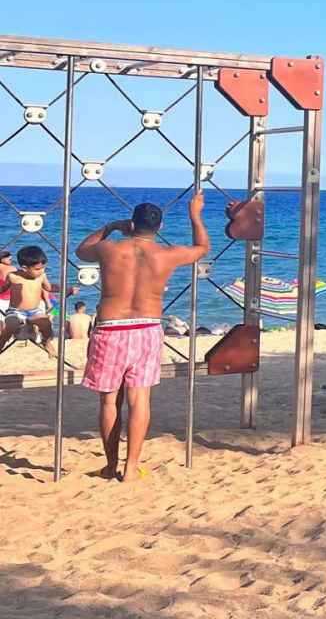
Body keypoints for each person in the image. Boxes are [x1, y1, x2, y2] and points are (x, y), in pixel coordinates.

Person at [73, 194, 209, 482]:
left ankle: (111, 466)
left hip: (111, 328)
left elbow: (82, 250)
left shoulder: (109, 249)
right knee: (140, 399)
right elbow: (202, 248)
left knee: (109, 402)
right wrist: (194, 214)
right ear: (158, 227)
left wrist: (111, 226)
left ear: (132, 224)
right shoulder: (166, 254)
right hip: (147, 328)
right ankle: (131, 468)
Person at [1, 244, 58, 348]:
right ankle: (2, 343)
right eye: (37, 269)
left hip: (34, 311)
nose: (41, 271)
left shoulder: (42, 276)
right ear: (24, 268)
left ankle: (46, 341)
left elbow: (49, 288)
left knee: (46, 324)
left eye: (43, 268)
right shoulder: (13, 276)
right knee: (10, 326)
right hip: (15, 310)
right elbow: (3, 289)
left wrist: (66, 289)